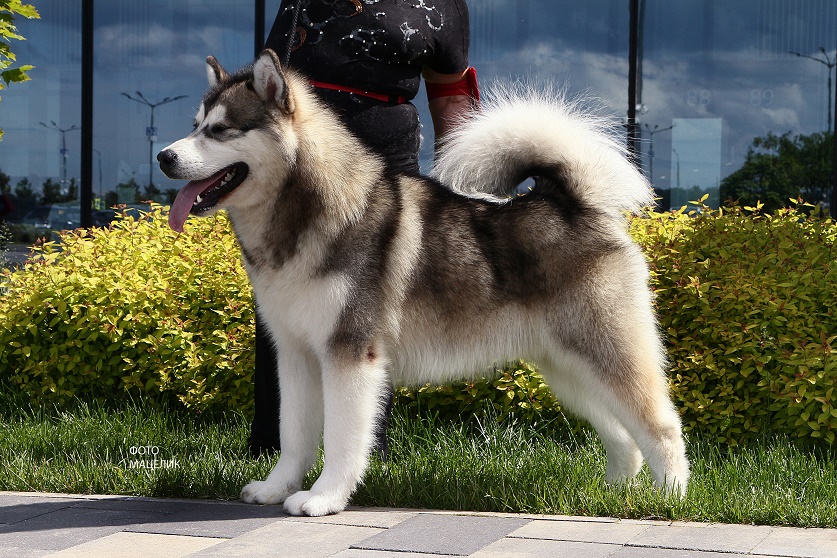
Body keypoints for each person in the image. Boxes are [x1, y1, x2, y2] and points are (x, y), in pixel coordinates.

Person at [248, 0, 478, 457]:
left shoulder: (445, 5)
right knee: (285, 303)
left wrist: (467, 194)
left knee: (367, 314)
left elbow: (452, 98)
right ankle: (275, 449)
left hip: (386, 165)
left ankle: (365, 453)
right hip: (299, 162)